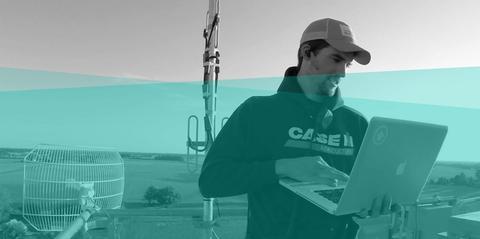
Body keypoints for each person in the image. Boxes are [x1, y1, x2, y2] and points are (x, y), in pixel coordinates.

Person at [199, 18, 389, 239]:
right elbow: (211, 182)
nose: (342, 73)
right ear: (307, 53)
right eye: (336, 59)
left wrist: (373, 206)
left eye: (347, 64)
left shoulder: (356, 123)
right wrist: (283, 167)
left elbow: (362, 195)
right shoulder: (258, 112)